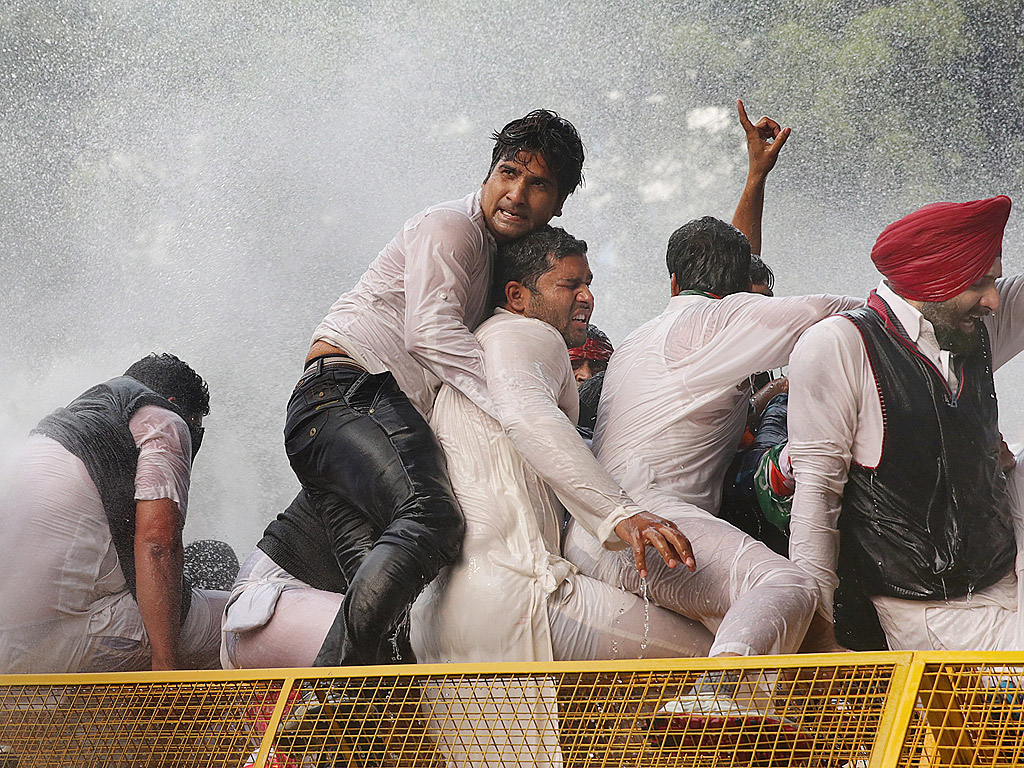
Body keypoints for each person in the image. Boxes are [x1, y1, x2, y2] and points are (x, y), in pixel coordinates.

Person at [221, 110, 587, 669]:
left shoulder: (496, 260)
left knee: (392, 646)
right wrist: (523, 408)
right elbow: (432, 332)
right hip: (347, 390)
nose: (515, 193)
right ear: (487, 174)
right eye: (507, 172)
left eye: (537, 184)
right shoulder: (452, 226)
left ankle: (313, 743)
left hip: (348, 412)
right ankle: (326, 698)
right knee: (433, 518)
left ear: (559, 201)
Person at [563, 102, 860, 665]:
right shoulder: (716, 323)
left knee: (783, 629)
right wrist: (912, 307)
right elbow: (833, 310)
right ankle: (717, 704)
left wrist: (755, 178)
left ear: (673, 280)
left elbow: (734, 280)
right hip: (649, 533)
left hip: (600, 531)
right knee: (789, 588)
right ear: (742, 295)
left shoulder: (651, 333)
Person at [411, 225, 711, 767]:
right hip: (524, 595)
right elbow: (529, 416)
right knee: (724, 655)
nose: (587, 296)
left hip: (439, 623)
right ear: (518, 296)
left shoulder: (473, 359)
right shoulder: (526, 335)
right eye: (569, 284)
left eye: (589, 283)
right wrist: (621, 512)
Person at [788, 195, 1024, 652]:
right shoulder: (839, 344)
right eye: (980, 283)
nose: (994, 299)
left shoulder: (969, 325)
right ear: (934, 281)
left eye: (994, 279)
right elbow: (816, 501)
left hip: (1006, 573)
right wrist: (816, 635)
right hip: (936, 612)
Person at [0, 353, 225, 673]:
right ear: (172, 403)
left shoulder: (59, 426)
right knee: (239, 623)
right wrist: (167, 669)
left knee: (201, 563)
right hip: (49, 644)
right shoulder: (163, 419)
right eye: (196, 429)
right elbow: (158, 546)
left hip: (10, 648)